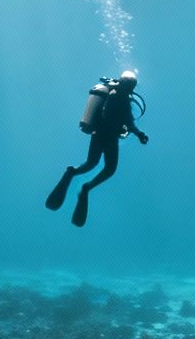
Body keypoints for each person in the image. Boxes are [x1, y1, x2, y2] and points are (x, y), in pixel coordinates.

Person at [46, 69, 148, 227]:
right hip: (104, 135)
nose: (130, 89)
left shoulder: (118, 95)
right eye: (130, 85)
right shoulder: (117, 96)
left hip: (104, 136)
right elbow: (123, 119)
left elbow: (127, 121)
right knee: (101, 167)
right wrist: (135, 132)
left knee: (98, 166)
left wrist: (136, 132)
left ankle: (77, 178)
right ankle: (79, 180)